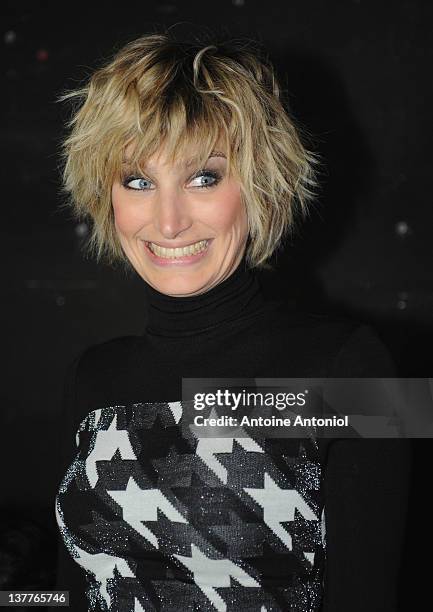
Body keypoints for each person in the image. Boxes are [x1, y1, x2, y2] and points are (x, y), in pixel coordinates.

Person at [54, 31, 412, 612]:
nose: (168, 222)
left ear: (260, 185)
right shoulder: (91, 376)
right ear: (107, 196)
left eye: (204, 177)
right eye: (138, 181)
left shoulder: (353, 366)